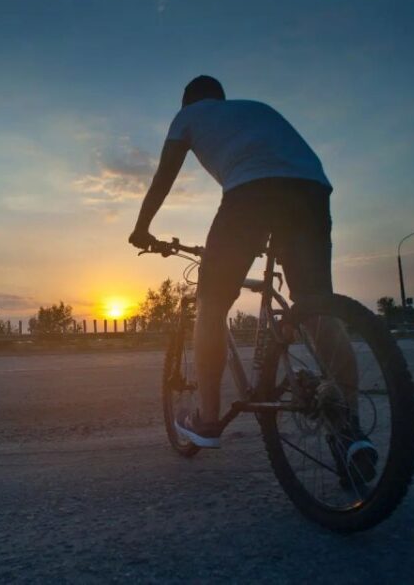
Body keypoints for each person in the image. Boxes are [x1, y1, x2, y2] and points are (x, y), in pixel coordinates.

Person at [129, 76, 376, 484]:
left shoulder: (187, 115)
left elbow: (163, 177)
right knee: (316, 304)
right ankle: (348, 430)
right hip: (311, 190)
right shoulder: (253, 109)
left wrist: (142, 229)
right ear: (221, 98)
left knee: (211, 305)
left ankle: (208, 420)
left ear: (189, 101)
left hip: (251, 194)